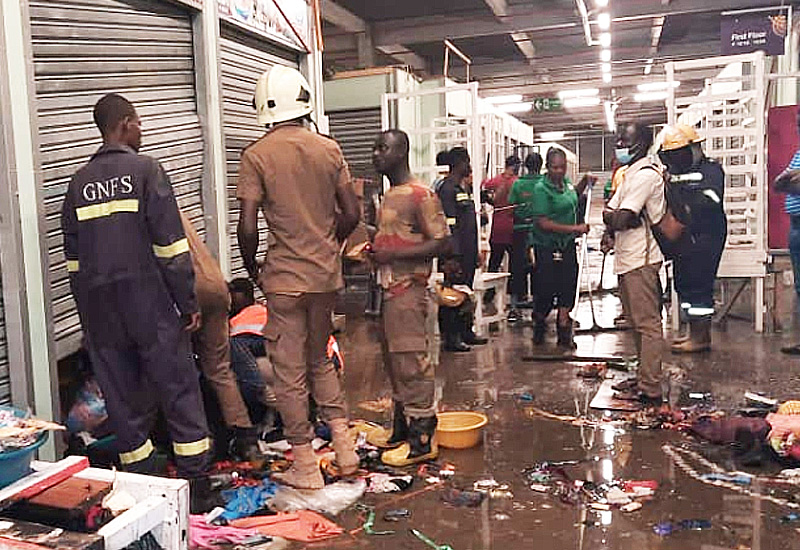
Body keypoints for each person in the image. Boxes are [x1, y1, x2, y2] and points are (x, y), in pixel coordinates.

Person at [61, 93, 210, 478]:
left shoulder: (77, 184)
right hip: (150, 303)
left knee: (122, 398)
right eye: (139, 123)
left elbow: (74, 264)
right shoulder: (147, 171)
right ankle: (194, 480)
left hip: (101, 310)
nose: (141, 131)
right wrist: (187, 301)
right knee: (177, 386)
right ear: (125, 123)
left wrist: (88, 319)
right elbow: (172, 248)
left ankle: (142, 481)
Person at [236, 65, 361, 489]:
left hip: (285, 280)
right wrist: (329, 244)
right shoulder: (329, 149)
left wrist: (251, 264)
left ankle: (306, 466)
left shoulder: (256, 156)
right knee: (320, 358)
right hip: (325, 277)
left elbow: (248, 225)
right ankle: (345, 450)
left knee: (289, 374)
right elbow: (353, 214)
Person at [370, 129, 451, 467]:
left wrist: (393, 256)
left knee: (411, 361)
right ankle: (402, 427)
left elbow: (442, 242)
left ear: (401, 153)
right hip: (388, 290)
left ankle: (422, 437)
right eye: (375, 147)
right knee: (394, 362)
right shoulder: (388, 195)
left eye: (383, 148)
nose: (376, 154)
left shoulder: (421, 195)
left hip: (410, 289)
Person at [181, 212, 261, 462]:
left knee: (177, 372)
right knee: (219, 369)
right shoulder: (173, 208)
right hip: (215, 286)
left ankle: (195, 443)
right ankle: (247, 440)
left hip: (186, 289)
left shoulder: (143, 209)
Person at [602, 122, 665, 408]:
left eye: (623, 141)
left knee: (648, 324)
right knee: (637, 324)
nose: (619, 145)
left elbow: (623, 215)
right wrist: (614, 218)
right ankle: (643, 377)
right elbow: (611, 212)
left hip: (641, 259)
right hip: (627, 258)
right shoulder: (629, 174)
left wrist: (616, 218)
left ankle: (650, 387)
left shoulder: (645, 176)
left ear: (640, 143)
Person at [658, 124, 727, 353]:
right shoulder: (673, 173)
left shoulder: (711, 170)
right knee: (684, 283)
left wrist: (684, 199)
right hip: (686, 236)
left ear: (694, 148)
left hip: (706, 234)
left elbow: (710, 198)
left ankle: (701, 338)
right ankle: (693, 332)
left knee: (698, 284)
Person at [528, 148, 590, 349]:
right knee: (546, 287)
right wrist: (575, 228)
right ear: (547, 167)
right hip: (546, 245)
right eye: (555, 167)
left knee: (568, 283)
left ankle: (564, 324)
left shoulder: (567, 184)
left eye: (562, 167)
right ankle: (539, 319)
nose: (559, 171)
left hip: (567, 244)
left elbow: (572, 198)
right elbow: (542, 222)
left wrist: (585, 183)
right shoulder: (541, 189)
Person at [437, 147, 488, 350]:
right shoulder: (447, 189)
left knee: (465, 293)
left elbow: (468, 223)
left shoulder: (462, 189)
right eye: (467, 161)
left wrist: (474, 251)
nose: (469, 166)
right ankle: (451, 337)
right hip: (454, 254)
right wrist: (452, 256)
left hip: (466, 252)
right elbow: (449, 225)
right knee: (452, 295)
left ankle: (466, 331)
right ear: (459, 163)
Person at [774, 110, 800, 355]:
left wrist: (791, 180)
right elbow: (778, 184)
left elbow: (788, 183)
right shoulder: (798, 155)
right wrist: (792, 178)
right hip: (796, 227)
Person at [482, 156, 521, 320]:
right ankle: (513, 304)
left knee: (493, 264)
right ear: (516, 166)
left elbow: (483, 187)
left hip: (497, 228)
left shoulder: (496, 180)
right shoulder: (517, 182)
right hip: (512, 229)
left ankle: (487, 297)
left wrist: (489, 198)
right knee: (515, 269)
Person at [508, 152, 544, 312]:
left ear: (526, 166)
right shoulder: (545, 183)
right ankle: (539, 303)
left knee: (517, 268)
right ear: (541, 165)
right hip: (542, 232)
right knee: (541, 267)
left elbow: (511, 207)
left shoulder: (518, 184)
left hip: (520, 230)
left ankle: (515, 306)